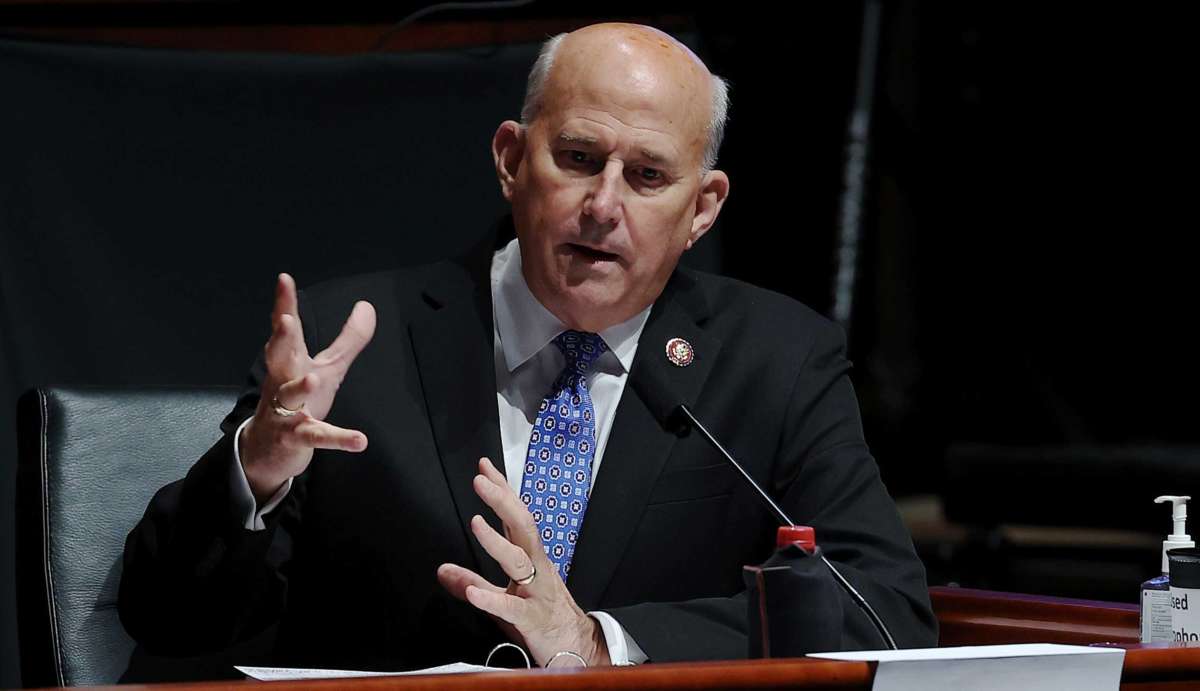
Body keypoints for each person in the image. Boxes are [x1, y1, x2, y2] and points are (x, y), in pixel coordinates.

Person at [119, 22, 937, 672]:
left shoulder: (778, 363)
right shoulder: (352, 345)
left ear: (703, 207)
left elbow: (883, 611)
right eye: (579, 159)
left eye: (648, 176)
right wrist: (255, 469)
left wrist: (600, 640)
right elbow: (167, 617)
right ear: (512, 158)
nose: (603, 204)